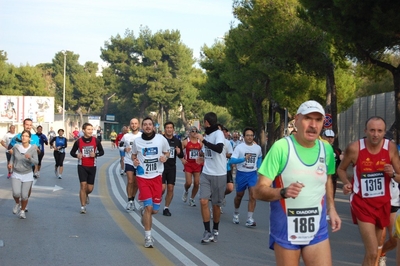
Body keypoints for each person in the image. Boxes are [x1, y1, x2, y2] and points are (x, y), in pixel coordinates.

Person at [254, 100, 341, 266]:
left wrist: (332, 208)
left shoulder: (327, 150)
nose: (313, 125)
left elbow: (328, 179)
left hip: (317, 228)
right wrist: (283, 192)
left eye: (318, 120)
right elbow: (258, 191)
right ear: (297, 120)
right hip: (286, 228)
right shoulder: (281, 148)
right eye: (308, 118)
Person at [338, 116, 400, 266]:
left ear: (384, 132)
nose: (375, 134)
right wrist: (346, 183)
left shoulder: (390, 148)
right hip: (362, 204)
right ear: (365, 131)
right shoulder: (355, 148)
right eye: (372, 130)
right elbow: (341, 169)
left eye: (379, 131)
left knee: (375, 251)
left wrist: (392, 174)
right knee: (372, 252)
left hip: (383, 203)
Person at [131, 117, 170, 248]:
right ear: (142, 127)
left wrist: (165, 157)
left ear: (153, 127)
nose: (147, 126)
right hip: (143, 177)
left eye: (150, 124)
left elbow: (167, 152)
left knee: (154, 211)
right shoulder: (137, 141)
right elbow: (133, 155)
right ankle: (148, 237)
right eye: (145, 125)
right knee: (149, 207)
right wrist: (135, 161)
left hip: (157, 177)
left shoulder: (161, 139)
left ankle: (144, 212)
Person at [195, 112, 226, 244]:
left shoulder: (218, 133)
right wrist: (202, 157)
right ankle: (207, 231)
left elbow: (219, 149)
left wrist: (204, 141)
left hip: (219, 174)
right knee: (203, 201)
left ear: (207, 122)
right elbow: (209, 152)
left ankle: (215, 230)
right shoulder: (207, 135)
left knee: (216, 206)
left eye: (203, 122)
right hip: (207, 173)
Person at [230, 127, 262, 227]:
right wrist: (243, 159)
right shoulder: (239, 148)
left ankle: (249, 218)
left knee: (253, 195)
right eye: (247, 135)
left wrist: (259, 168)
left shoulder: (258, 148)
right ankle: (236, 213)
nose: (249, 137)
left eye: (251, 135)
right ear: (243, 137)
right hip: (241, 174)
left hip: (252, 174)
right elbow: (232, 161)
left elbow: (260, 157)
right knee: (239, 195)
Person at [69, 123, 104, 214]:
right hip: (82, 166)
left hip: (92, 166)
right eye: (88, 129)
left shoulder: (96, 141)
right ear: (83, 130)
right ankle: (83, 206)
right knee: (83, 186)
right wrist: (77, 155)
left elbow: (102, 152)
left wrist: (95, 154)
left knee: (90, 188)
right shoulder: (78, 141)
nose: (91, 131)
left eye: (92, 129)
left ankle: (86, 194)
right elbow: (72, 152)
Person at [8, 130, 39, 219]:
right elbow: (13, 156)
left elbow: (36, 161)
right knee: (16, 193)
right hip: (17, 173)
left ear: (29, 138)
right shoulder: (16, 147)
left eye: (26, 136)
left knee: (25, 195)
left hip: (27, 173)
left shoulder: (33, 148)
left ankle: (22, 211)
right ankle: (17, 203)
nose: (24, 137)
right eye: (23, 136)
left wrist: (30, 158)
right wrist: (10, 163)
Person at [119, 118, 142, 211]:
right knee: (130, 181)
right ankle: (129, 201)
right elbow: (120, 145)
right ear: (130, 125)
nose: (134, 125)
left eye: (135, 123)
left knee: (136, 183)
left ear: (138, 125)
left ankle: (132, 199)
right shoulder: (126, 136)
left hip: (139, 162)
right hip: (129, 161)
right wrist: (124, 149)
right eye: (132, 123)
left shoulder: (142, 136)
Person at [161, 121, 184, 216]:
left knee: (170, 188)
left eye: (171, 128)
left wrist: (179, 152)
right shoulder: (160, 139)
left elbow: (181, 155)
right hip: (161, 167)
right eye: (167, 127)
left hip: (171, 167)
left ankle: (166, 208)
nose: (169, 129)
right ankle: (155, 201)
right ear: (165, 129)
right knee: (162, 189)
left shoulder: (177, 141)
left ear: (173, 129)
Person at [181, 126, 203, 207]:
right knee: (189, 182)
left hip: (197, 164)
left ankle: (192, 199)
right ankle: (186, 190)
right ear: (189, 132)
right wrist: (182, 159)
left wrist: (202, 156)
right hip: (188, 164)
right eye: (192, 131)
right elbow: (179, 152)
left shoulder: (200, 142)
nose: (194, 133)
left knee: (197, 183)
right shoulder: (185, 142)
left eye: (196, 131)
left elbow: (203, 152)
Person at [321, 129, 342, 199]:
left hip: (332, 178)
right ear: (323, 137)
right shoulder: (319, 148)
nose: (330, 139)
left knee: (331, 197)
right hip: (321, 177)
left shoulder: (337, 150)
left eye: (332, 137)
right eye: (328, 137)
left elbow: (340, 164)